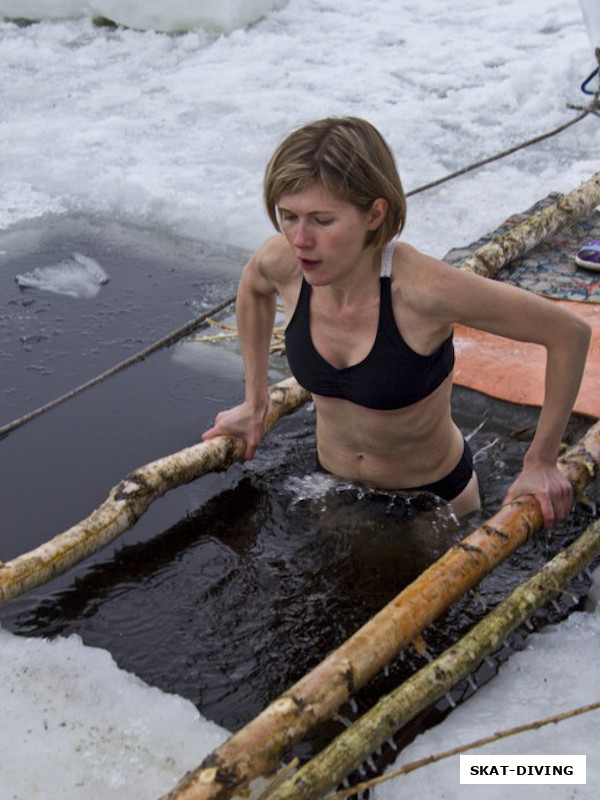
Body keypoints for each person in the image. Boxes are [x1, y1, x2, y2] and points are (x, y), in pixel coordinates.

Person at [202, 117, 591, 528]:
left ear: (374, 214)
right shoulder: (284, 262)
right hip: (330, 486)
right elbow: (253, 288)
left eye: (322, 220)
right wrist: (255, 402)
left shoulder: (425, 289)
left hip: (433, 502)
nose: (300, 239)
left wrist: (541, 461)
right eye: (288, 216)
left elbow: (568, 333)